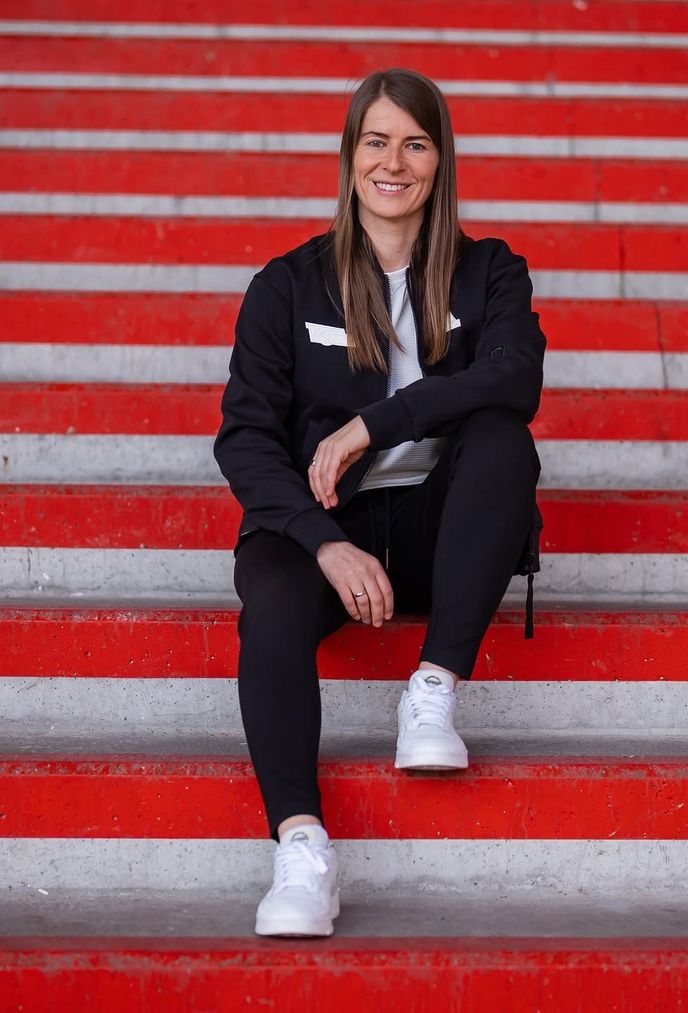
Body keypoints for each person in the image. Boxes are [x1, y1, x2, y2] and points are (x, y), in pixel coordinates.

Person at [214, 67, 546, 938]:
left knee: (504, 439)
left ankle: (432, 687)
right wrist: (324, 543)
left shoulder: (490, 272)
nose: (393, 162)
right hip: (333, 526)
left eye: (415, 142)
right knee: (273, 597)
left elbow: (513, 377)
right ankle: (301, 846)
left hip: (448, 531)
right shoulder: (288, 286)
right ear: (349, 155)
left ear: (440, 161)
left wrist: (375, 423)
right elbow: (245, 437)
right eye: (376, 141)